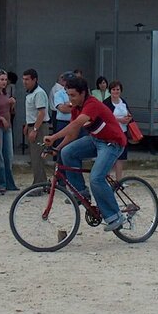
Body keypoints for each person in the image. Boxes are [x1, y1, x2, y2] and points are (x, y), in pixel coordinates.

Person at [44, 75, 128, 233]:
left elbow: (76, 124)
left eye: (73, 95)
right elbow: (73, 133)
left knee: (96, 178)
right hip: (96, 140)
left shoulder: (91, 104)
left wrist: (54, 137)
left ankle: (115, 216)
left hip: (113, 143)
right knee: (67, 152)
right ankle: (81, 193)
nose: (71, 99)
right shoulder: (76, 108)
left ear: (83, 93)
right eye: (68, 95)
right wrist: (58, 147)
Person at [22, 68, 51, 185]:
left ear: (34, 80)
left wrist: (34, 129)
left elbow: (41, 113)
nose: (24, 82)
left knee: (37, 158)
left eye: (27, 79)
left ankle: (38, 185)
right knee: (34, 157)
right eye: (23, 79)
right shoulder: (31, 93)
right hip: (32, 125)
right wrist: (27, 125)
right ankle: (42, 182)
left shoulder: (39, 93)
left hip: (39, 127)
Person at [0, 70, 18, 192]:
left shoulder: (6, 93)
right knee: (0, 155)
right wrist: (1, 118)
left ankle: (10, 182)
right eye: (1, 79)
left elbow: (11, 112)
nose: (4, 82)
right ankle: (1, 183)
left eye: (5, 80)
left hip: (8, 127)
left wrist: (12, 104)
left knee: (9, 155)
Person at [103, 80, 132, 181]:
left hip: (122, 132)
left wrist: (128, 119)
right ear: (110, 91)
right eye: (113, 89)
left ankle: (119, 180)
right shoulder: (106, 103)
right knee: (109, 157)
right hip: (111, 134)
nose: (116, 91)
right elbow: (105, 117)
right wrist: (119, 120)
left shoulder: (123, 101)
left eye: (117, 89)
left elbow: (128, 113)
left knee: (121, 157)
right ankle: (107, 178)